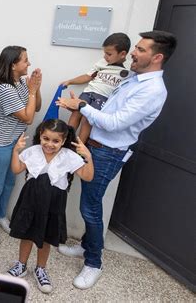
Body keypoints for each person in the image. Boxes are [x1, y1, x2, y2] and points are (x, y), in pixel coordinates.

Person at [56, 30, 177, 289]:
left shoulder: (153, 90)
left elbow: (115, 123)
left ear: (157, 57)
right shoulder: (134, 78)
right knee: (88, 202)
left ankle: (93, 263)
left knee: (90, 206)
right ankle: (89, 246)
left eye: (141, 50)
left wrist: (81, 107)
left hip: (107, 152)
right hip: (93, 145)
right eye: (136, 47)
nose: (134, 52)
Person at [6, 119, 94, 294]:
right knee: (27, 233)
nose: (49, 144)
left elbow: (88, 176)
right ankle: (21, 265)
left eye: (56, 141)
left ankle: (40, 268)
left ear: (63, 140)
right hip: (30, 199)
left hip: (54, 202)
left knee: (46, 236)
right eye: (46, 139)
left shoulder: (69, 156)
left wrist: (88, 157)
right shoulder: (33, 151)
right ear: (40, 135)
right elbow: (16, 169)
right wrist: (16, 152)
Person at [0, 45, 42, 245]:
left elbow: (36, 107)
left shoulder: (22, 83)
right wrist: (32, 92)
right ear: (14, 64)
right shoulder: (4, 88)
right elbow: (28, 117)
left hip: (14, 142)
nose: (29, 63)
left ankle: (0, 216)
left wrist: (35, 89)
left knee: (9, 182)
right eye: (25, 60)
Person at [61, 32, 131, 143]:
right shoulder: (102, 63)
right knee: (76, 112)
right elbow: (88, 76)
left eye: (109, 54)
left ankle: (79, 147)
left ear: (122, 54)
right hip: (88, 92)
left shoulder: (128, 72)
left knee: (88, 120)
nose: (105, 56)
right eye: (104, 53)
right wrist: (70, 81)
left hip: (103, 98)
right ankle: (66, 141)